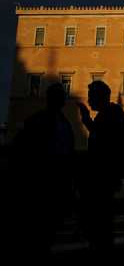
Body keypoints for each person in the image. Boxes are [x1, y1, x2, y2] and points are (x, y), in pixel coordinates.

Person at [10, 83, 75, 254]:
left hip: (54, 181)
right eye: (57, 96)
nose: (60, 100)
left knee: (48, 231)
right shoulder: (38, 121)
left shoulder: (64, 124)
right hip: (39, 181)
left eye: (61, 97)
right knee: (37, 231)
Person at [78, 80, 124, 251]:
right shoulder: (109, 115)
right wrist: (87, 120)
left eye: (91, 96)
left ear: (99, 97)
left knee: (101, 215)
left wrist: (87, 120)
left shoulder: (109, 115)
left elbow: (104, 142)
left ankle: (101, 247)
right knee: (103, 216)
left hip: (103, 173)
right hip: (106, 173)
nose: (89, 100)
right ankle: (101, 245)